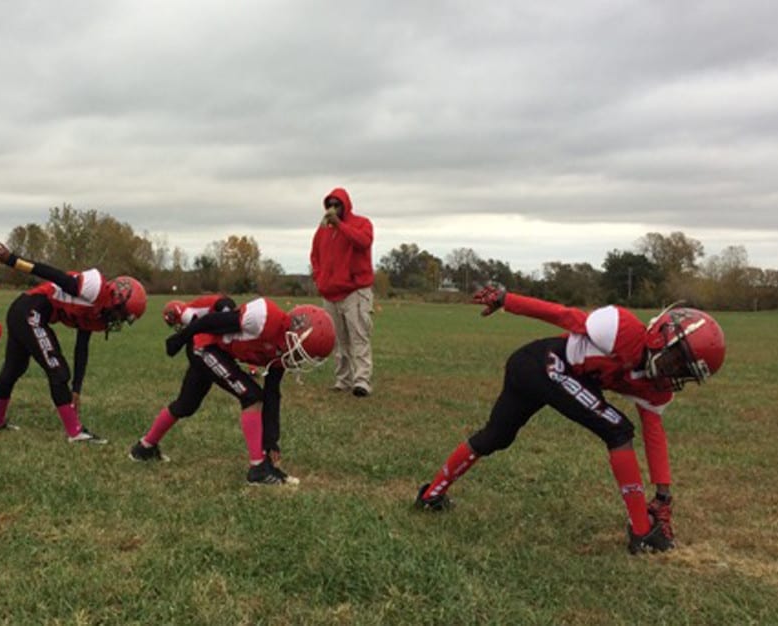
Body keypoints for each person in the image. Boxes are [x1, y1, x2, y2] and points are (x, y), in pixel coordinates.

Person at [413, 285, 727, 555]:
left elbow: (655, 434)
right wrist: (508, 300)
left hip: (539, 368)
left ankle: (431, 495)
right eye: (677, 360)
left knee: (496, 437)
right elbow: (564, 315)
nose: (674, 373)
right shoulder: (623, 328)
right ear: (662, 336)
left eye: (685, 371)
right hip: (543, 362)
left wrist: (663, 493)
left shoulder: (655, 388)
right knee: (616, 429)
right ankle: (642, 532)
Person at [130, 298, 335, 485]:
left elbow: (273, 395)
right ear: (296, 333)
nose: (298, 360)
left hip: (215, 351)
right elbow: (211, 321)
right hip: (204, 346)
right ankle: (257, 469)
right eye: (301, 353)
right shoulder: (264, 317)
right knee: (251, 396)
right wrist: (181, 338)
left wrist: (271, 442)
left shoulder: (283, 351)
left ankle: (144, 448)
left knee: (186, 405)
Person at [0, 241, 147, 443]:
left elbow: (81, 347)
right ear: (117, 297)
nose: (119, 319)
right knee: (57, 369)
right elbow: (54, 274)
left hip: (24, 312)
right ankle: (76, 433)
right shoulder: (95, 287)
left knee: (14, 369)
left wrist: (76, 389)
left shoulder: (99, 316)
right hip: (30, 309)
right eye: (122, 314)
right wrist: (14, 261)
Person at [310, 187, 375, 397]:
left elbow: (363, 241)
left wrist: (340, 225)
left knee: (358, 336)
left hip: (355, 291)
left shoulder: (361, 223)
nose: (332, 209)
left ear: (345, 206)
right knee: (337, 340)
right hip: (330, 293)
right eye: (330, 205)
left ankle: (362, 380)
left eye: (337, 205)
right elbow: (315, 256)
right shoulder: (322, 230)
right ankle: (343, 379)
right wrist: (320, 280)